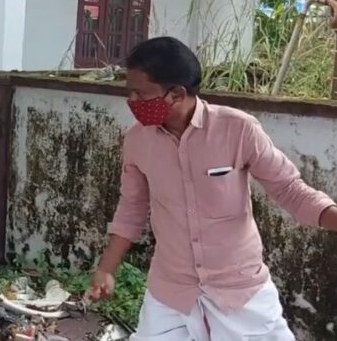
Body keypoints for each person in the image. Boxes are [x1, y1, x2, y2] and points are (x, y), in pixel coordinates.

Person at [87, 37, 337, 340]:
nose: (132, 101)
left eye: (141, 93)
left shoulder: (238, 129)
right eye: (130, 92)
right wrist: (107, 269)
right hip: (172, 291)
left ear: (176, 93)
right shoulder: (137, 140)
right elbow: (132, 208)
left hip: (239, 291)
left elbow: (290, 190)